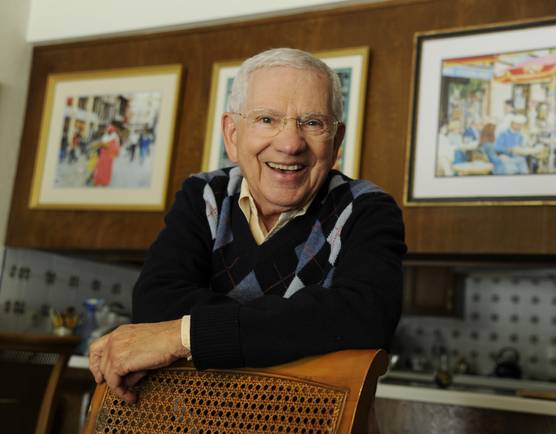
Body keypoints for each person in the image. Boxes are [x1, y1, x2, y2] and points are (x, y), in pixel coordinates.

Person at [89, 48, 406, 406]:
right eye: (267, 119)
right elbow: (155, 305)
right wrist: (297, 328)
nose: (290, 144)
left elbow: (363, 318)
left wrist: (183, 335)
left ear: (336, 143)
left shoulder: (366, 209)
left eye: (313, 123)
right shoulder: (204, 195)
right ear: (232, 133)